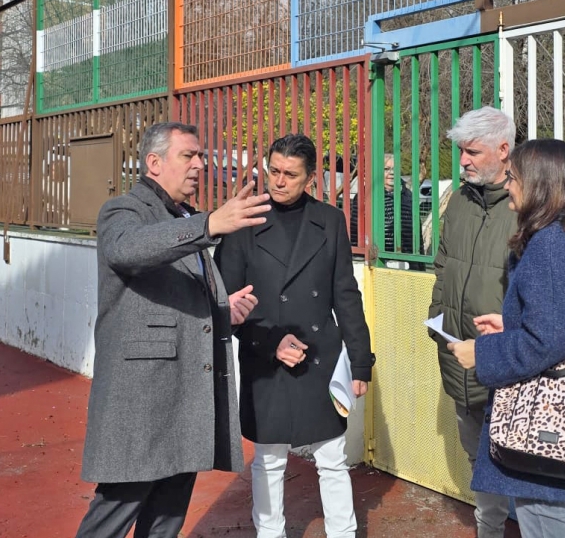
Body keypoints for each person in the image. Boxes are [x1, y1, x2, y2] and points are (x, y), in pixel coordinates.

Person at [74, 122, 272, 538]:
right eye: (189, 156)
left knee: (166, 520)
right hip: (142, 400)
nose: (200, 164)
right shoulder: (123, 211)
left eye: (201, 156)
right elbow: (129, 249)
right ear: (154, 163)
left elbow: (179, 294)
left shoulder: (182, 217)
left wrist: (223, 307)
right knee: (114, 512)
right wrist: (209, 225)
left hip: (186, 399)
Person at [447, 139, 565, 538]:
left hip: (548, 423)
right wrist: (510, 323)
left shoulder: (551, 244)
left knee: (549, 522)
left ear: (539, 184)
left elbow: (546, 343)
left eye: (514, 178)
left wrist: (481, 353)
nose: (508, 186)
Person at [215, 134, 375, 538]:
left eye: (290, 174)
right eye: (273, 171)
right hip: (264, 357)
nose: (279, 181)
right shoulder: (242, 222)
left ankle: (343, 533)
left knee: (332, 457)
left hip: (320, 355)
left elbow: (345, 293)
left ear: (310, 178)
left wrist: (360, 360)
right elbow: (224, 305)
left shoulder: (331, 220)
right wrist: (270, 344)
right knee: (268, 459)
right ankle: (269, 534)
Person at [426, 106, 518, 538]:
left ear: (503, 150)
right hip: (458, 356)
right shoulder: (459, 201)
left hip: (508, 359)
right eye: (461, 151)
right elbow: (443, 265)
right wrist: (436, 320)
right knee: (477, 457)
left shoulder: (527, 206)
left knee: (516, 457)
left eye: (473, 152)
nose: (463, 161)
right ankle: (490, 530)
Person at [349, 153, 419, 259]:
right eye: (386, 169)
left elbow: (417, 233)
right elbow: (356, 231)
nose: (391, 173)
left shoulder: (409, 195)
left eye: (395, 169)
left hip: (405, 259)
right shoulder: (365, 196)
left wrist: (418, 264)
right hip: (377, 259)